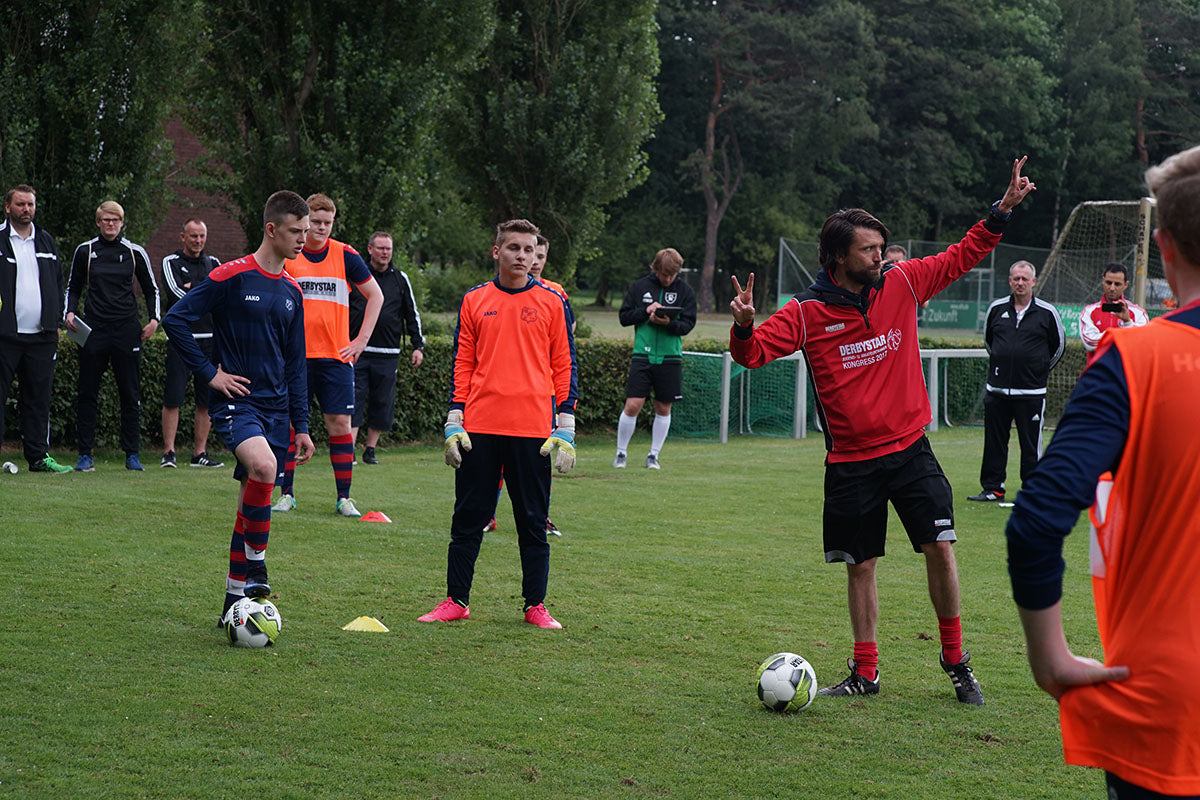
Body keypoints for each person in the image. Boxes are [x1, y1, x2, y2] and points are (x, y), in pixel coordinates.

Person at [728, 156, 1036, 705]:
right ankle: (866, 672)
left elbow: (962, 255)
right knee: (861, 565)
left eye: (881, 247)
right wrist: (744, 326)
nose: (880, 256)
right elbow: (751, 356)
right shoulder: (805, 312)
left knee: (941, 547)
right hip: (850, 462)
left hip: (911, 450)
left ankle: (955, 660)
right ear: (838, 256)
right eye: (869, 249)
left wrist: (1002, 211)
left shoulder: (903, 281)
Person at [1007, 145, 1200, 798]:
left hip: (1168, 705)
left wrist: (1049, 659)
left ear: (1164, 248)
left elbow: (1037, 518)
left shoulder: (1134, 359)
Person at [161, 190, 315, 622]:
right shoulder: (232, 276)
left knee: (251, 498)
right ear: (272, 229)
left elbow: (296, 365)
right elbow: (176, 320)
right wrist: (210, 374)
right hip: (237, 405)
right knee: (264, 468)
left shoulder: (292, 291)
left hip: (277, 411)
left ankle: (233, 601)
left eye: (307, 231)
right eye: (296, 231)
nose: (304, 239)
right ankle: (258, 568)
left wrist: (302, 426)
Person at [417, 219, 578, 629]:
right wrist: (455, 417)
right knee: (467, 519)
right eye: (513, 248)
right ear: (496, 251)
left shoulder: (552, 301)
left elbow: (565, 364)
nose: (522, 256)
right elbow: (463, 361)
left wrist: (566, 425)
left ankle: (535, 605)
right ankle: (456, 600)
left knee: (533, 522)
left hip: (533, 431)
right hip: (480, 428)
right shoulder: (475, 299)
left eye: (529, 249)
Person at [272, 193, 382, 517]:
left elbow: (376, 296)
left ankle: (343, 498)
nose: (320, 228)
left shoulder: (345, 254)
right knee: (291, 424)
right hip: (296, 359)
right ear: (305, 222)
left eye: (327, 222)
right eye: (315, 222)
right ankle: (286, 494)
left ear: (333, 223)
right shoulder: (290, 254)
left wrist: (360, 341)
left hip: (336, 357)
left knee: (341, 424)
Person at [65, 200, 160, 471]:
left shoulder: (134, 252)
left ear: (122, 223)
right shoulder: (85, 250)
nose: (110, 224)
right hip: (93, 330)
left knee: (130, 393)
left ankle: (132, 455)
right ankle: (85, 455)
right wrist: (69, 312)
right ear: (98, 222)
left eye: (115, 220)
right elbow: (73, 286)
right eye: (106, 220)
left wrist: (154, 320)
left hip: (126, 330)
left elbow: (151, 289)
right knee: (87, 392)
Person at [969, 261, 1064, 502]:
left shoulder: (1047, 312)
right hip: (997, 391)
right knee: (994, 442)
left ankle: (1033, 491)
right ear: (1010, 281)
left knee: (1031, 446)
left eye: (1024, 279)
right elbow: (990, 342)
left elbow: (1058, 347)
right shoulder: (996, 308)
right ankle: (993, 489)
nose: (1020, 283)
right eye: (1016, 278)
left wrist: (1037, 371)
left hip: (1031, 393)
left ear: (1033, 282)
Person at [0, 184, 72, 473]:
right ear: (8, 207)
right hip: (5, 336)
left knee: (38, 400)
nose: (26, 209)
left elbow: (58, 282)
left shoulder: (45, 240)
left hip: (42, 337)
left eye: (30, 204)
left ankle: (39, 458)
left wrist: (57, 322)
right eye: (20, 204)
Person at [613, 248, 697, 470]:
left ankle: (653, 456)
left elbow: (688, 325)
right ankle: (621, 454)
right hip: (643, 354)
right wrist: (645, 311)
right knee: (633, 404)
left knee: (663, 407)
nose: (668, 279)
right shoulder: (639, 287)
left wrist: (668, 323)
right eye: (664, 274)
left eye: (672, 275)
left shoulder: (685, 291)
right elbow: (623, 317)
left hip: (670, 357)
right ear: (655, 268)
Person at [348, 231, 424, 464]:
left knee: (383, 403)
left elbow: (412, 314)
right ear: (370, 249)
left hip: (388, 353)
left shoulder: (400, 279)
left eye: (388, 249)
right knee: (354, 400)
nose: (385, 253)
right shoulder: (356, 275)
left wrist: (418, 345)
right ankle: (349, 450)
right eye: (380, 248)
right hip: (357, 351)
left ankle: (370, 450)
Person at [159, 218, 224, 469]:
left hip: (210, 339)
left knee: (206, 399)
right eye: (193, 236)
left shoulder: (214, 263)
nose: (198, 241)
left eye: (201, 236)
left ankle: (199, 454)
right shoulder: (170, 262)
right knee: (173, 396)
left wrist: (193, 288)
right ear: (182, 237)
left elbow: (221, 294)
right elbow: (175, 294)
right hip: (180, 339)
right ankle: (169, 452)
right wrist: (205, 292)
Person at [1079, 263, 1148, 362]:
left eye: (1117, 284)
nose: (1112, 288)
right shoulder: (1088, 312)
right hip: (1099, 370)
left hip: (1126, 371)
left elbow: (1140, 343)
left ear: (1125, 285)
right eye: (1108, 283)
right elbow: (1089, 343)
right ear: (1103, 281)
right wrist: (1123, 335)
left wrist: (1127, 322)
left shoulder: (1139, 313)